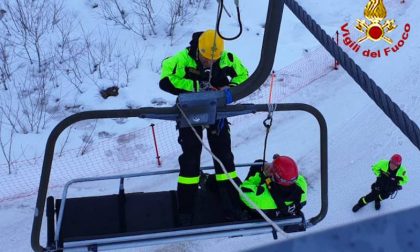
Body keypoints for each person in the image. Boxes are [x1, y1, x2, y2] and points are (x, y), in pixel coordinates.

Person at [159, 29, 248, 225]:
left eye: (213, 60)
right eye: (206, 59)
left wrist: (230, 91)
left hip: (217, 112)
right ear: (198, 50)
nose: (210, 63)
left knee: (224, 157)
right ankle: (186, 209)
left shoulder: (226, 58)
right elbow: (165, 79)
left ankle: (230, 204)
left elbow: (244, 76)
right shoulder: (182, 59)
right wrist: (197, 87)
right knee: (191, 159)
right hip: (190, 111)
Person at [239, 155, 307, 218]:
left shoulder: (260, 197)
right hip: (281, 211)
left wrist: (263, 174)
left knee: (258, 163)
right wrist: (280, 164)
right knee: (260, 162)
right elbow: (292, 176)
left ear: (272, 175)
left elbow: (243, 189)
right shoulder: (302, 186)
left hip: (261, 215)